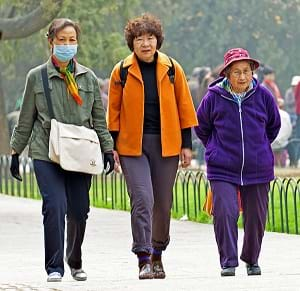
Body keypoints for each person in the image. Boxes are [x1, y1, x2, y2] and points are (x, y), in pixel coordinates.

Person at [9, 18, 114, 282]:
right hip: (47, 150)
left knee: (79, 210)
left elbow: (99, 119)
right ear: (51, 42)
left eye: (72, 40)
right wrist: (15, 152)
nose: (67, 45)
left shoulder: (88, 77)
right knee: (54, 206)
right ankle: (54, 266)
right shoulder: (37, 77)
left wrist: (108, 149)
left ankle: (74, 260)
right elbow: (25, 119)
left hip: (80, 152)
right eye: (62, 40)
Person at [107, 13, 197, 279]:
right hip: (131, 145)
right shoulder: (121, 71)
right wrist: (111, 147)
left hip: (167, 143)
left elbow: (185, 107)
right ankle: (143, 257)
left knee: (163, 202)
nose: (145, 44)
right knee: (142, 198)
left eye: (150, 38)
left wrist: (187, 145)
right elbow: (112, 113)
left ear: (158, 40)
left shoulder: (172, 69)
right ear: (131, 43)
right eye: (139, 39)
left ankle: (158, 254)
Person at [194, 48, 280, 277]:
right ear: (226, 74)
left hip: (257, 167)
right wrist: (214, 148)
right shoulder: (214, 96)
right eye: (236, 72)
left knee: (256, 217)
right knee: (225, 212)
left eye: (246, 71)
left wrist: (259, 146)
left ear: (253, 72)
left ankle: (252, 259)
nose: (242, 77)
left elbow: (273, 126)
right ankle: (228, 261)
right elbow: (201, 127)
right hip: (222, 167)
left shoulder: (263, 96)